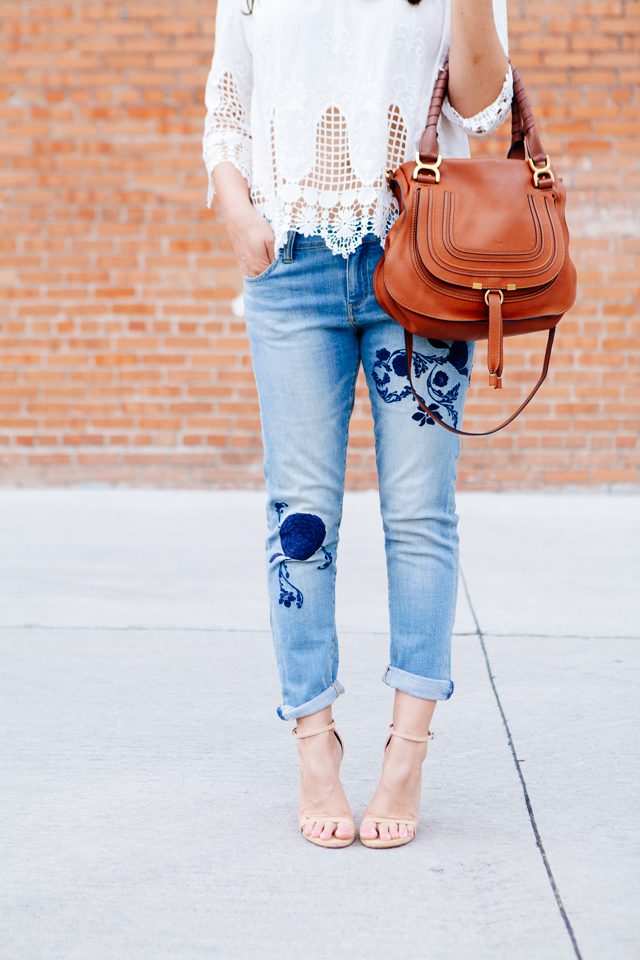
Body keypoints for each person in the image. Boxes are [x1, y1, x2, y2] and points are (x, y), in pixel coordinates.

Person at [203, 0, 511, 849]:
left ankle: (407, 753)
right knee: (300, 518)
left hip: (424, 260)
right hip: (289, 264)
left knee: (418, 514)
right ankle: (315, 743)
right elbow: (228, 96)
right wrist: (235, 203)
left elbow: (483, 107)